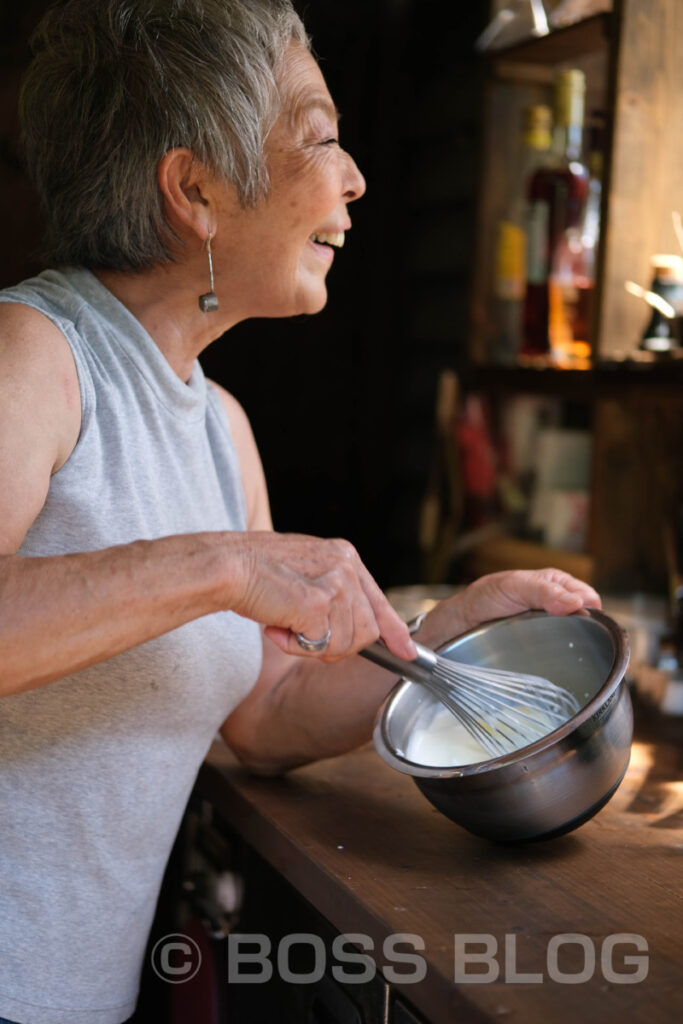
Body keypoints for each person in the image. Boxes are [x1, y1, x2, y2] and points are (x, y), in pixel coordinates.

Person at [0, 1, 601, 1021]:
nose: (354, 177)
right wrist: (227, 565)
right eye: (319, 135)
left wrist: (441, 638)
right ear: (194, 188)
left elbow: (265, 713)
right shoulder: (34, 353)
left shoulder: (215, 426)